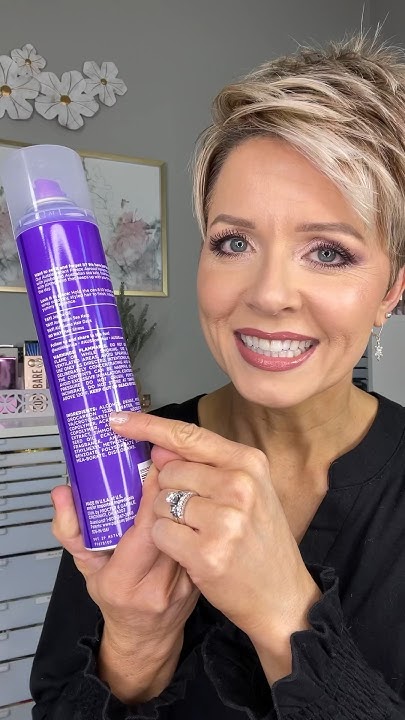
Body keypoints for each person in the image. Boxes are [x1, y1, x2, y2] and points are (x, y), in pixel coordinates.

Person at [31, 32, 405, 719]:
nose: (268, 294)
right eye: (233, 242)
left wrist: (283, 615)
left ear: (391, 290)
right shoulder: (130, 457)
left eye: (328, 252)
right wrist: (137, 642)